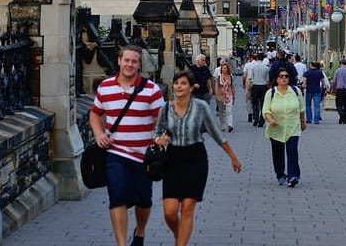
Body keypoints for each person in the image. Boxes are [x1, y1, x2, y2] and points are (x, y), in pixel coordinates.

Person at [154, 70, 242, 246]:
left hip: (195, 159)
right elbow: (158, 132)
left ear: (192, 87)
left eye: (183, 83)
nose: (179, 86)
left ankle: (181, 243)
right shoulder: (166, 108)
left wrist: (233, 157)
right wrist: (159, 139)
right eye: (176, 82)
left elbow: (216, 134)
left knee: (187, 207)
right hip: (172, 160)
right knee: (170, 212)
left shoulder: (201, 107)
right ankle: (179, 234)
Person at [89, 45, 165, 246]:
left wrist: (161, 139)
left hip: (143, 155)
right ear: (119, 61)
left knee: (144, 200)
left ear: (139, 64)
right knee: (117, 196)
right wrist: (98, 133)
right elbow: (95, 113)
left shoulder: (151, 90)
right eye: (127, 60)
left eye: (134, 61)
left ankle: (139, 232)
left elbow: (164, 121)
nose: (130, 64)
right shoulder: (105, 87)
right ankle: (121, 243)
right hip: (115, 153)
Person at [262, 68, 307, 187]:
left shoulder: (295, 91)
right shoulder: (270, 93)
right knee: (278, 154)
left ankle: (293, 176)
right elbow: (266, 110)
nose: (284, 78)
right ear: (276, 79)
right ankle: (280, 175)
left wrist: (303, 122)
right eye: (281, 76)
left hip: (293, 127)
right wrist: (271, 120)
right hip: (276, 128)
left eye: (286, 76)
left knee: (292, 151)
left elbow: (301, 108)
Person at [246, 52, 270, 126]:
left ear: (257, 58)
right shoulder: (266, 68)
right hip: (263, 87)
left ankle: (256, 118)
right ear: (263, 59)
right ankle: (261, 120)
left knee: (255, 103)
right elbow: (267, 79)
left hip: (255, 86)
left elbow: (250, 78)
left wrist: (247, 89)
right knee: (263, 104)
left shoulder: (253, 67)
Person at [215, 60, 236, 131]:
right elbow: (216, 87)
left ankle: (230, 125)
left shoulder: (231, 77)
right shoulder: (219, 77)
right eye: (223, 68)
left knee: (229, 111)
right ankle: (222, 125)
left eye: (225, 68)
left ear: (227, 69)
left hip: (228, 95)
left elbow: (232, 87)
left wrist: (233, 96)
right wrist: (217, 96)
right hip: (221, 96)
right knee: (222, 111)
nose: (224, 69)